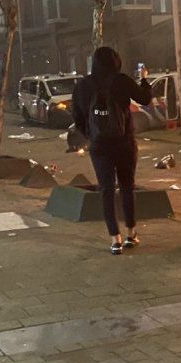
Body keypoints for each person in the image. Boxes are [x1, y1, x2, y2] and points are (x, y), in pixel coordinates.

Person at [71, 47, 153, 255]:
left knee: (106, 190)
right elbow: (144, 99)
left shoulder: (83, 86)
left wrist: (92, 134)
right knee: (127, 186)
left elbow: (78, 118)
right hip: (124, 142)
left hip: (99, 147)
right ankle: (131, 234)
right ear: (115, 61)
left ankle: (115, 239)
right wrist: (144, 79)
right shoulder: (122, 81)